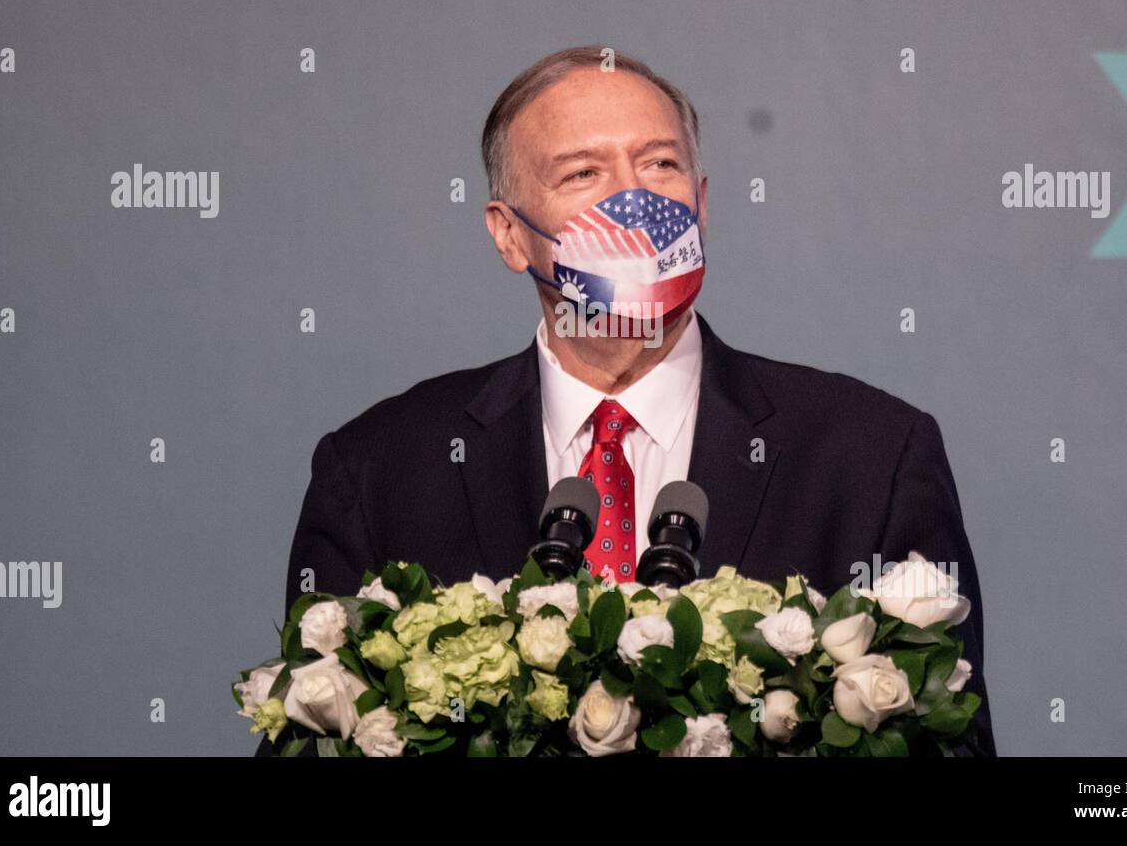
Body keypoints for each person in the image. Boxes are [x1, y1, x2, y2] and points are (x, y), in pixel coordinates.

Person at [265, 45, 997, 756]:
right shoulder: (377, 470)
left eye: (660, 164)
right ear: (510, 234)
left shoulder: (871, 454)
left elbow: (949, 738)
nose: (635, 198)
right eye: (584, 173)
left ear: (702, 206)